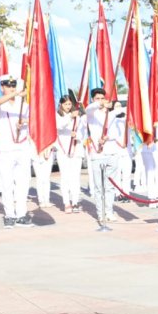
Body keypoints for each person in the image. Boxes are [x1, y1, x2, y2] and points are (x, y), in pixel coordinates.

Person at [0, 74, 34, 228]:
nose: (11, 88)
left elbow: (34, 119)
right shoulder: (1, 103)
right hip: (6, 148)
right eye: (8, 86)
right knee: (6, 183)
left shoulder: (23, 104)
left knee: (23, 182)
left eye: (13, 85)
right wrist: (16, 93)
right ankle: (9, 214)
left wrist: (24, 121)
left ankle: (21, 214)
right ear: (2, 87)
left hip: (22, 147)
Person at [84, 88, 120, 224]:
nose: (100, 101)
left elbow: (117, 134)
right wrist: (100, 104)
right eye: (97, 98)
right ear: (93, 99)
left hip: (111, 152)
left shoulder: (111, 115)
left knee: (110, 186)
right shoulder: (91, 114)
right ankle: (100, 213)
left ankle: (109, 211)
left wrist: (107, 137)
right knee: (99, 187)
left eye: (102, 98)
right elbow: (88, 108)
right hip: (97, 154)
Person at [55, 96, 85, 213]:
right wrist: (69, 117)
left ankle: (75, 201)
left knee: (75, 177)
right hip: (63, 151)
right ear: (61, 104)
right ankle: (66, 202)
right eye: (66, 104)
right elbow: (59, 126)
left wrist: (76, 135)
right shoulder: (58, 116)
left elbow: (82, 133)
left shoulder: (77, 117)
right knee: (65, 177)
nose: (68, 106)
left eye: (69, 104)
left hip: (76, 150)